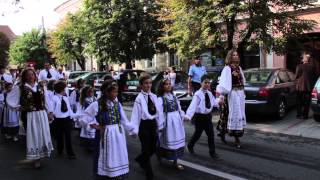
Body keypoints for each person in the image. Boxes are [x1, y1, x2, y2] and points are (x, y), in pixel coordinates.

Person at [82, 80, 135, 180]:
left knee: (118, 154)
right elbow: (83, 118)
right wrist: (94, 125)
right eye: (114, 92)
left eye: (117, 91)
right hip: (105, 135)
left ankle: (117, 174)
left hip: (118, 134)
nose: (116, 94)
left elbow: (124, 120)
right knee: (106, 156)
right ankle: (107, 174)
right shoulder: (97, 104)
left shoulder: (117, 104)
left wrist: (132, 130)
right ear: (107, 92)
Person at [6, 68, 54, 168]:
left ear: (35, 75)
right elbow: (10, 99)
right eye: (28, 75)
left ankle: (41, 155)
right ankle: (36, 158)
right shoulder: (19, 87)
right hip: (29, 115)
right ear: (24, 77)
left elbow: (46, 100)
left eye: (32, 74)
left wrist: (50, 112)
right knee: (33, 135)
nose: (30, 76)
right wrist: (18, 107)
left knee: (42, 134)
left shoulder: (41, 85)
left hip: (41, 114)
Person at [131, 73, 164, 180]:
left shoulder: (154, 97)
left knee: (153, 148)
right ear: (141, 85)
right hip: (143, 126)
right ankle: (149, 174)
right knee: (146, 149)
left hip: (152, 125)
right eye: (146, 83)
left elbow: (158, 112)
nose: (148, 85)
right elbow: (135, 116)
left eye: (150, 83)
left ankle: (141, 160)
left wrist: (160, 125)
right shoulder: (139, 99)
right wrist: (134, 130)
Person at [216, 49, 246, 148]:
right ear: (230, 57)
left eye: (237, 55)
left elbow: (242, 82)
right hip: (232, 94)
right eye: (233, 55)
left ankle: (223, 132)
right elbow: (224, 84)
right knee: (233, 114)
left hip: (240, 94)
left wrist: (243, 93)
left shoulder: (239, 68)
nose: (236, 56)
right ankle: (236, 138)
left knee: (235, 114)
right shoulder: (227, 69)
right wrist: (221, 96)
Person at [185, 74, 218, 158]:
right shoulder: (198, 94)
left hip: (207, 116)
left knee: (211, 134)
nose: (207, 84)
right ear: (201, 83)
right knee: (197, 134)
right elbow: (193, 106)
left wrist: (219, 102)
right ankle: (190, 145)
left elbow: (213, 102)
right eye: (205, 82)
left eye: (208, 83)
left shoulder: (209, 94)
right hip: (199, 117)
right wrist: (188, 116)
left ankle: (212, 152)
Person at [156, 78, 185, 170]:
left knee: (177, 141)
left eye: (169, 84)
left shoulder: (174, 97)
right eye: (166, 84)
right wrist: (160, 125)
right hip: (168, 123)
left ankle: (176, 162)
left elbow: (179, 108)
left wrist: (182, 116)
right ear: (162, 86)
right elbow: (159, 113)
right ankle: (160, 156)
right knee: (165, 141)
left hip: (176, 122)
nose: (169, 85)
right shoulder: (160, 99)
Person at [51, 80, 77, 159]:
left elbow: (69, 109)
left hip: (67, 120)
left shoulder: (65, 98)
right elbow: (52, 109)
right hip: (58, 120)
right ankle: (60, 149)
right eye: (65, 88)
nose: (66, 90)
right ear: (61, 89)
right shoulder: (54, 98)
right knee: (59, 137)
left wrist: (73, 117)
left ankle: (70, 153)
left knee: (68, 137)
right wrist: (53, 117)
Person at [295, 52, 317, 119]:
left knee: (299, 101)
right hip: (308, 87)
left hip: (300, 87)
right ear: (308, 60)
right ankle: (305, 116)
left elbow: (296, 76)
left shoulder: (299, 66)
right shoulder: (312, 67)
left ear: (303, 60)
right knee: (307, 102)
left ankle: (299, 114)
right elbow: (315, 77)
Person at [1, 75, 20, 141]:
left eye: (11, 87)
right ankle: (8, 134)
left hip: (14, 110)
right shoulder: (5, 93)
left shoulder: (15, 93)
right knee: (7, 123)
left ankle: (14, 135)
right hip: (7, 110)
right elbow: (3, 101)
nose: (11, 88)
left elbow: (17, 100)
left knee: (15, 123)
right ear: (6, 88)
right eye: (9, 87)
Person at [78, 85, 96, 151]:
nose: (92, 93)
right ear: (86, 93)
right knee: (87, 131)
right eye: (90, 92)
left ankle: (92, 145)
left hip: (94, 117)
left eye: (92, 92)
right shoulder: (84, 100)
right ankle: (87, 145)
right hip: (87, 118)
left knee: (93, 131)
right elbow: (82, 110)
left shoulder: (94, 98)